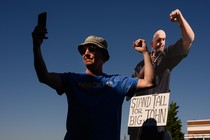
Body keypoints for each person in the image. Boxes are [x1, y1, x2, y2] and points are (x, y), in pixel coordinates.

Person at [32, 22, 155, 140]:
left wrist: (145, 52)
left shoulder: (118, 82)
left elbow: (149, 82)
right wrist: (36, 47)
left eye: (91, 49)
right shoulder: (71, 80)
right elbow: (43, 76)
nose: (86, 53)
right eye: (83, 50)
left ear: (103, 56)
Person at [127, 9, 195, 140]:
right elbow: (130, 90)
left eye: (164, 40)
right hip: (139, 128)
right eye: (159, 40)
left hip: (158, 126)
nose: (162, 43)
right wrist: (146, 65)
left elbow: (189, 39)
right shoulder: (139, 66)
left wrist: (180, 20)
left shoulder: (167, 57)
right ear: (152, 44)